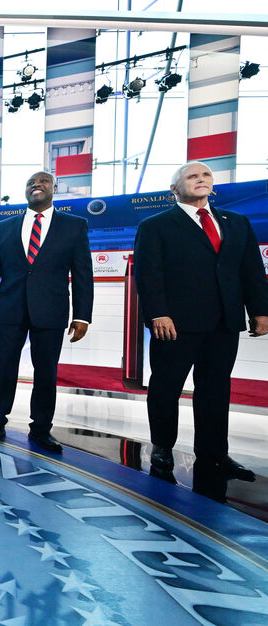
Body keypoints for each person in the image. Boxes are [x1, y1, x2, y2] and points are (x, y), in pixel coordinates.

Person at [134, 161, 268, 482]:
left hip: (224, 322)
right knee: (167, 387)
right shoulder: (156, 225)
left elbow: (251, 270)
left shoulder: (236, 222)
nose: (201, 179)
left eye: (206, 175)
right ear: (174, 189)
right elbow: (149, 274)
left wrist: (260, 310)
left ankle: (213, 454)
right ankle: (163, 447)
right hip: (175, 323)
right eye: (192, 176)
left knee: (216, 390)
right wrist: (157, 313)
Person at [0, 170, 93, 453]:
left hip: (51, 311)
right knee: (3, 367)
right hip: (9, 310)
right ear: (25, 191)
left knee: (46, 372)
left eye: (42, 181)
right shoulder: (3, 227)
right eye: (31, 182)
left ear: (54, 187)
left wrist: (82, 315)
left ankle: (41, 428)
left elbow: (82, 274)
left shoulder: (75, 226)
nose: (36, 185)